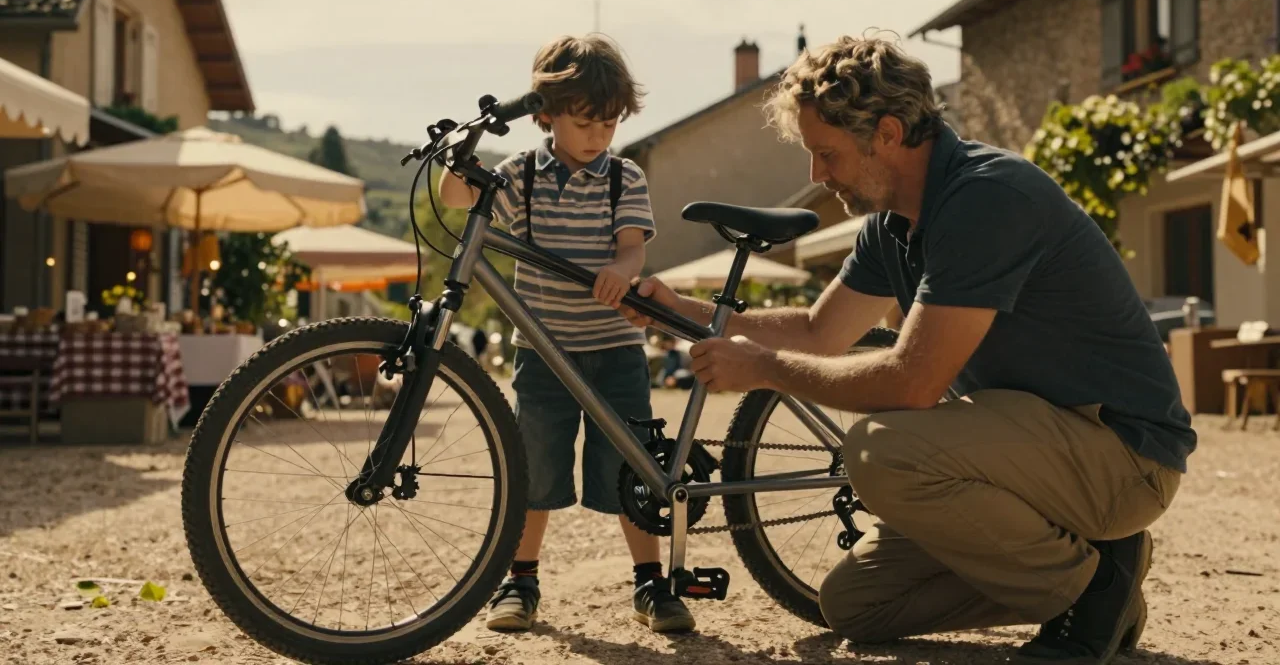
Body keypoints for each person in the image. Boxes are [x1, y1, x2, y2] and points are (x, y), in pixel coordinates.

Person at [618, 34, 1193, 664]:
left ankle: (1089, 593)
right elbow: (818, 331)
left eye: (826, 154)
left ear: (888, 134)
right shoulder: (891, 223)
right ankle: (1096, 567)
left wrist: (765, 370)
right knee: (857, 607)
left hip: (1123, 456)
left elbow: (911, 384)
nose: (817, 175)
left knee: (879, 451)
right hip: (1033, 452)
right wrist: (684, 313)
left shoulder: (987, 198)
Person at [438, 33, 696, 634]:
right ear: (546, 114)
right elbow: (453, 195)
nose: (598, 135)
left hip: (614, 350)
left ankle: (650, 583)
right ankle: (521, 580)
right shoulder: (521, 175)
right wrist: (460, 150)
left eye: (609, 123)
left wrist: (621, 271)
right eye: (585, 123)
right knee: (534, 466)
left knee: (631, 469)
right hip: (543, 352)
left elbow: (632, 251)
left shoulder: (623, 177)